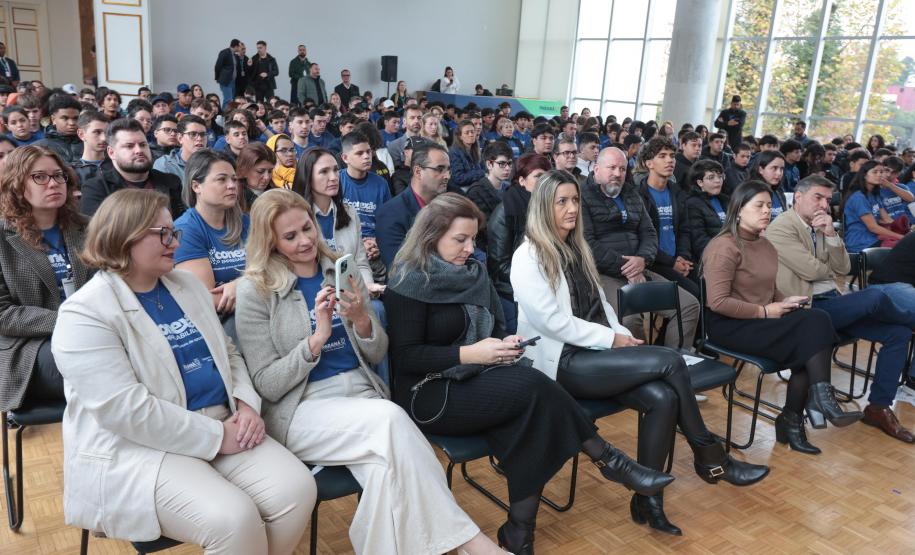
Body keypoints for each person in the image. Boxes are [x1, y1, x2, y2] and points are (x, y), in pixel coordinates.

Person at [384, 192, 673, 553]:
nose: (470, 249)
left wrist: (502, 345)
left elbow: (489, 332)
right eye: (460, 239)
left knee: (531, 418)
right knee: (534, 384)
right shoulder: (409, 280)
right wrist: (472, 353)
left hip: (472, 377)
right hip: (427, 392)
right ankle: (607, 459)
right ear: (431, 237)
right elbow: (406, 357)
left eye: (473, 239)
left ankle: (519, 535)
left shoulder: (472, 273)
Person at [233, 188, 508, 555]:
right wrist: (316, 340)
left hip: (362, 397)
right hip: (303, 409)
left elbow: (379, 351)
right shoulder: (256, 290)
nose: (305, 241)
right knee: (392, 421)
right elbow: (267, 384)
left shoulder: (339, 269)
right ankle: (472, 544)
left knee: (384, 477)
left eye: (308, 229)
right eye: (290, 236)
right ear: (269, 243)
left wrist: (363, 320)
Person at [52, 188, 316, 554]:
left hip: (224, 422)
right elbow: (126, 411)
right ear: (124, 237)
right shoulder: (84, 314)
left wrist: (246, 405)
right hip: (142, 449)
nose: (175, 241)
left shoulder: (187, 285)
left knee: (297, 489)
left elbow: (229, 352)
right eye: (163, 234)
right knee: (234, 520)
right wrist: (216, 436)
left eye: (173, 232)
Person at [512, 170, 768, 535]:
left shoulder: (577, 247)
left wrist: (619, 334)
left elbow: (602, 303)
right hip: (564, 361)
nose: (571, 208)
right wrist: (611, 340)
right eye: (561, 201)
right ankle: (711, 456)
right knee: (670, 359)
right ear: (542, 207)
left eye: (575, 200)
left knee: (662, 397)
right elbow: (552, 322)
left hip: (595, 353)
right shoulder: (529, 255)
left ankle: (648, 500)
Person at [703, 180, 862, 445]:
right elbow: (717, 303)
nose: (767, 211)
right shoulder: (723, 247)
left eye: (769, 205)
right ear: (739, 210)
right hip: (728, 325)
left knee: (814, 326)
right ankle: (803, 411)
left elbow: (769, 287)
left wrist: (785, 302)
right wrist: (766, 311)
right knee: (812, 334)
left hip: (760, 318)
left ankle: (805, 409)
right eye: (759, 206)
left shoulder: (765, 245)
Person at [767, 175, 915, 445]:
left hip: (832, 304)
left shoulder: (821, 225)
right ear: (798, 197)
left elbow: (844, 268)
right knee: (873, 296)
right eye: (818, 197)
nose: (824, 204)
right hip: (806, 310)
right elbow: (814, 270)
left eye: (827, 199)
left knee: (899, 333)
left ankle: (878, 408)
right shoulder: (781, 228)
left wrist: (833, 235)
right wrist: (827, 264)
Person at [0, 146, 91, 415]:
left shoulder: (88, 228)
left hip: (96, 333)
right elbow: (3, 315)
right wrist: (68, 320)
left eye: (58, 175)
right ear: (16, 185)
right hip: (30, 346)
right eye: (39, 177)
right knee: (95, 369)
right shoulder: (2, 238)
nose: (53, 183)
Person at [581, 147, 700, 348]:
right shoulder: (583, 196)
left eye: (622, 168)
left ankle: (674, 363)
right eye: (611, 168)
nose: (618, 174)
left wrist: (643, 260)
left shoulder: (631, 193)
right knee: (630, 319)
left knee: (688, 306)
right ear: (596, 169)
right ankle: (643, 370)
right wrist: (628, 267)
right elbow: (587, 243)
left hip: (640, 266)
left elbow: (649, 233)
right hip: (602, 273)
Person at [173, 149, 248, 322]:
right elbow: (208, 299)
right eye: (222, 179)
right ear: (196, 186)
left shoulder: (247, 222)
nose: (232, 185)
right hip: (221, 324)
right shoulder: (185, 229)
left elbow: (276, 273)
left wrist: (241, 286)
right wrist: (256, 287)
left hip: (256, 313)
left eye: (234, 179)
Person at [487, 154, 551, 334]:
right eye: (538, 176)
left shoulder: (548, 207)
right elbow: (500, 265)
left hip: (545, 281)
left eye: (547, 176)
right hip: (512, 289)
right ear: (522, 181)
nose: (544, 181)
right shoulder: (505, 212)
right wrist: (538, 276)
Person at [81, 119, 184, 218]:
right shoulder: (96, 188)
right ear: (111, 153)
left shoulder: (171, 181)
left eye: (143, 144)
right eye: (129, 146)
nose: (139, 150)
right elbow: (99, 232)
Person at [636, 138, 698, 298]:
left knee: (709, 285)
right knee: (694, 293)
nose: (670, 160)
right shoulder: (638, 196)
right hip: (654, 262)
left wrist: (683, 257)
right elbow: (641, 238)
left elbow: (684, 230)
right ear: (648, 163)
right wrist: (672, 263)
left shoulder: (677, 192)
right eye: (662, 156)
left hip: (678, 259)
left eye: (672, 156)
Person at [376, 143, 450, 268]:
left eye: (448, 169)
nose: (447, 176)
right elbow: (398, 268)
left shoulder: (449, 204)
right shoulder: (390, 213)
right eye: (439, 169)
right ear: (418, 171)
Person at [842, 160, 907, 251]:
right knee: (904, 248)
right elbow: (873, 227)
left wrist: (907, 232)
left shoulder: (874, 195)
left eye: (881, 172)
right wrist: (901, 237)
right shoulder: (858, 197)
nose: (879, 175)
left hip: (875, 238)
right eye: (875, 172)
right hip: (861, 241)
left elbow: (886, 219)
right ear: (864, 175)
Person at [465, 141, 513, 251]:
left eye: (509, 163)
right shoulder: (476, 192)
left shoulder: (509, 189)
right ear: (489, 164)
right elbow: (485, 229)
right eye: (502, 164)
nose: (507, 168)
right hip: (489, 248)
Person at [685, 159, 728, 262]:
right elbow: (699, 241)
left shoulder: (726, 200)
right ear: (700, 182)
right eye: (711, 177)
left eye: (720, 176)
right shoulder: (693, 204)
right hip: (715, 259)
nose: (718, 180)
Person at [152, 114, 208, 180]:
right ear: (180, 138)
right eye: (193, 134)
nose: (199, 138)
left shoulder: (213, 163)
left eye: (203, 134)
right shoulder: (165, 164)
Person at [34, 94, 82, 166]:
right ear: (53, 119)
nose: (71, 123)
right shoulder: (39, 147)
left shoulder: (90, 143)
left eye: (75, 118)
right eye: (65, 118)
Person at [748, 150, 789, 220]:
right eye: (774, 168)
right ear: (760, 169)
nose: (779, 173)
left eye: (781, 169)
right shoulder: (750, 192)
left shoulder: (779, 192)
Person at [235, 142, 276, 212]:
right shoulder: (234, 199)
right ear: (244, 170)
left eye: (270, 171)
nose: (267, 177)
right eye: (260, 171)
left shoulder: (278, 194)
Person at [73, 111, 111, 184]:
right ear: (81, 134)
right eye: (97, 132)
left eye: (107, 132)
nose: (104, 138)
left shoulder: (118, 165)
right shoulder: (72, 171)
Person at [449, 119, 485, 190]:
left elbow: (484, 168)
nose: (471, 135)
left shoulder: (476, 149)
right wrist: (481, 173)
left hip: (476, 185)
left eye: (472, 132)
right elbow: (459, 178)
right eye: (467, 133)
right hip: (463, 189)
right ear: (460, 136)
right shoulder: (454, 152)